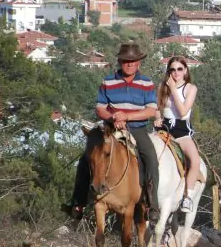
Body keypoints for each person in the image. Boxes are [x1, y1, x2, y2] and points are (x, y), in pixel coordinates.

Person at [64, 42, 161, 223]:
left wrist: (127, 117)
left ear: (139, 62)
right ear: (120, 61)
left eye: (133, 61)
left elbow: (150, 110)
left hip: (137, 128)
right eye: (125, 61)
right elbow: (99, 108)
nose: (129, 64)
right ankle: (78, 203)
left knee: (150, 158)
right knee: (87, 158)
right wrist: (113, 118)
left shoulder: (147, 83)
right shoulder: (108, 81)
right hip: (110, 128)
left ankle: (151, 203)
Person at [155, 56, 203, 213]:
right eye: (172, 70)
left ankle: (187, 196)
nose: (176, 73)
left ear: (186, 70)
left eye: (179, 69)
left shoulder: (190, 88)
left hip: (182, 130)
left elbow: (183, 112)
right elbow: (157, 106)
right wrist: (157, 118)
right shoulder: (163, 86)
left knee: (195, 160)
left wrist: (174, 90)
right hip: (164, 128)